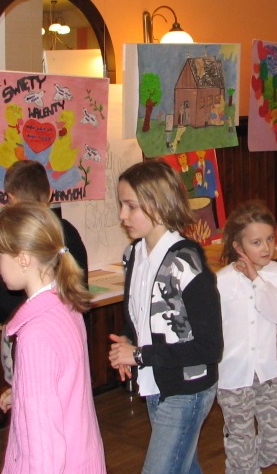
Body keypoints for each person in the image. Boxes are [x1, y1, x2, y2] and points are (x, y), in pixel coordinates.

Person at [108, 159, 223, 474]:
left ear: (158, 205)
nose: (122, 215)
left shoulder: (186, 261)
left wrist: (140, 355)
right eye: (121, 205)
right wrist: (127, 342)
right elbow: (140, 317)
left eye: (131, 206)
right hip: (156, 381)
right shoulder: (133, 255)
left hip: (187, 388)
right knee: (183, 467)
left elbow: (210, 347)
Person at [0, 202, 106, 473]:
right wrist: (24, 391)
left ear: (23, 258)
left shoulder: (36, 336)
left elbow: (44, 451)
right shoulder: (66, 304)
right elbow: (62, 383)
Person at [216, 200, 277, 472]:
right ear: (238, 247)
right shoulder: (220, 282)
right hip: (232, 378)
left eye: (270, 239)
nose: (266, 247)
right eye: (256, 242)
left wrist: (256, 279)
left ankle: (249, 466)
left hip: (267, 374)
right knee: (241, 449)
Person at [0, 159, 88, 389]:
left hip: (27, 335)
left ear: (10, 197)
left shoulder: (12, 241)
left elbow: (3, 305)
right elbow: (80, 285)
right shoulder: (68, 230)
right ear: (50, 193)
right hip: (70, 337)